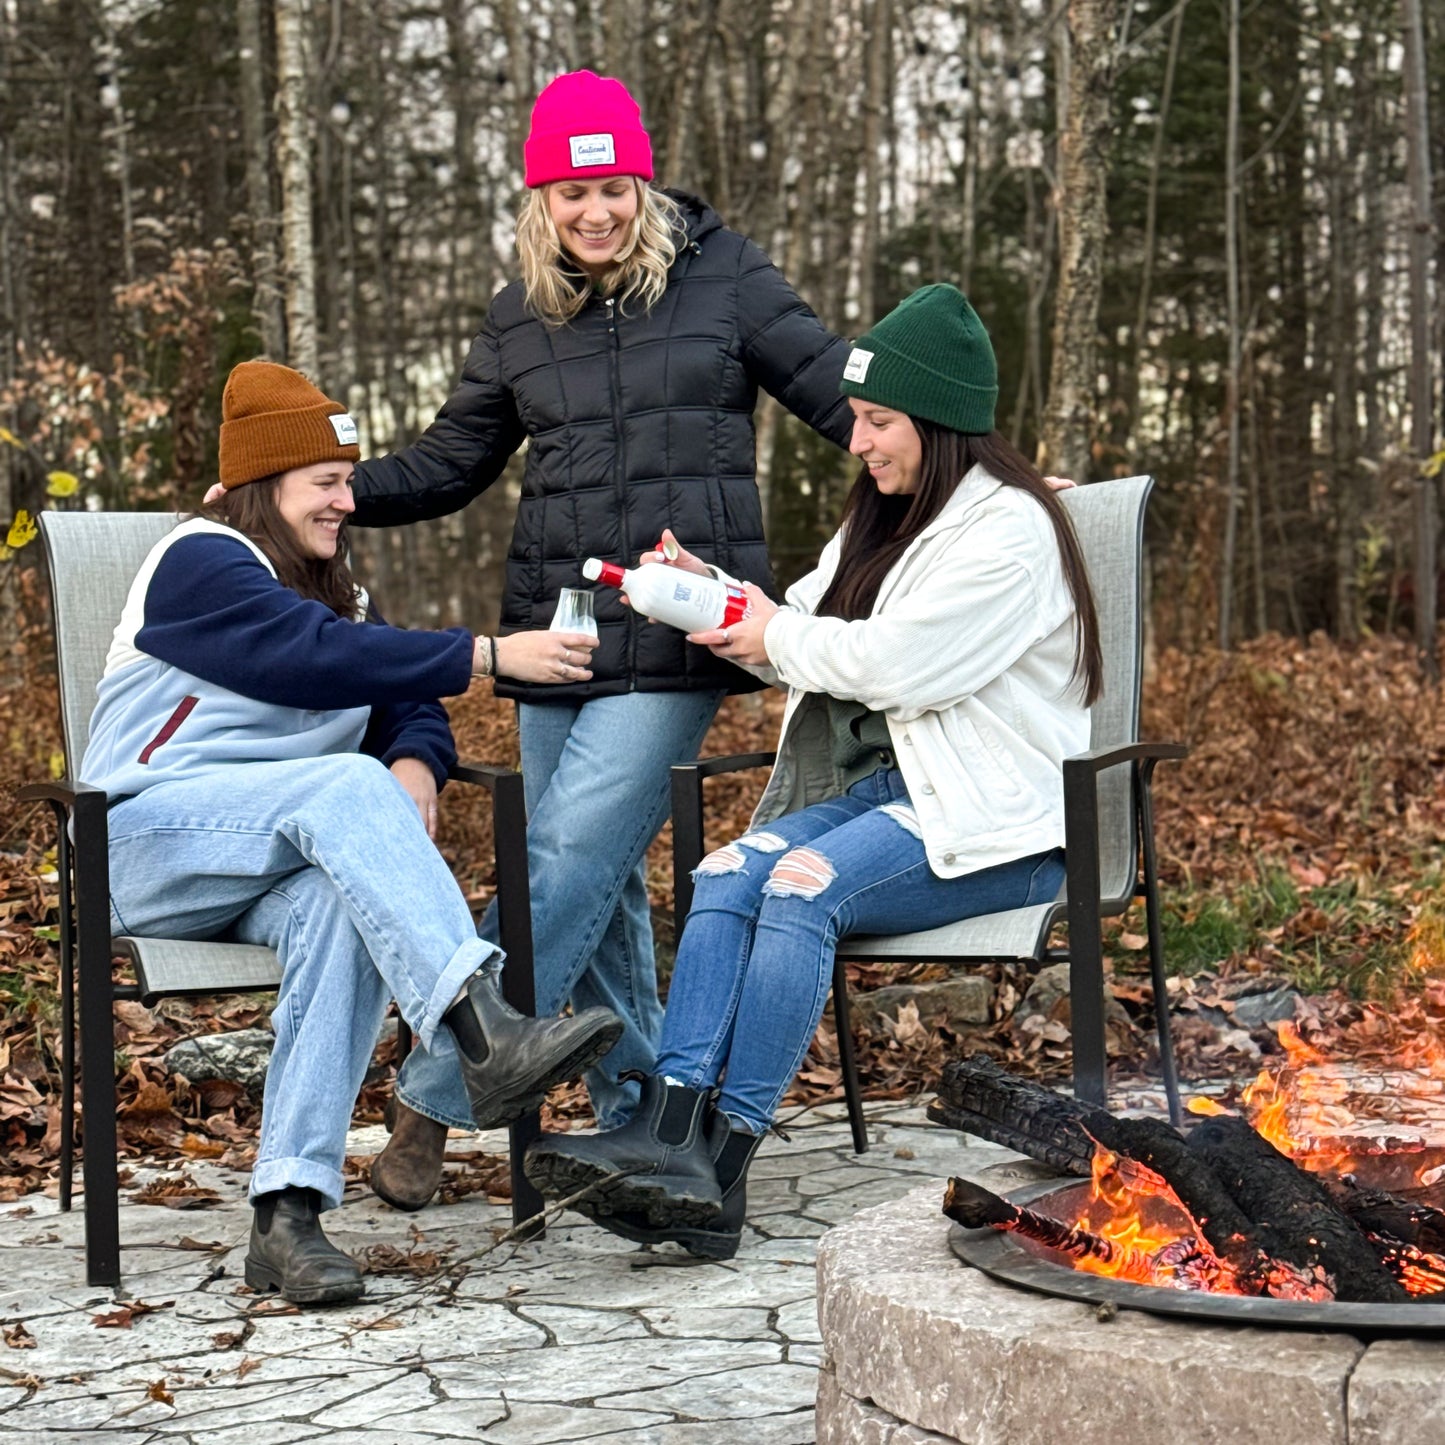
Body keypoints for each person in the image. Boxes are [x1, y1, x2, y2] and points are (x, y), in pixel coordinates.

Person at [345, 68, 856, 1209]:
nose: (594, 213)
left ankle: (432, 1096)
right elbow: (447, 462)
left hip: (678, 622)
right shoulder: (519, 311)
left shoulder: (725, 273)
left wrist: (971, 458)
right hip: (556, 635)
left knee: (563, 856)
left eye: (611, 187)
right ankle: (638, 1122)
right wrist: (330, 491)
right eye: (570, 193)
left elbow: (834, 388)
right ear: (540, 199)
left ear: (640, 180)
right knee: (603, 883)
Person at [520, 284, 1104, 1260]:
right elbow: (797, 631)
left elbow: (889, 663)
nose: (856, 441)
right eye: (857, 418)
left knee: (797, 888)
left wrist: (771, 626)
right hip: (893, 798)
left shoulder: (1008, 533)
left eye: (877, 420)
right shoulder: (887, 516)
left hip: (1001, 819)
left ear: (940, 421)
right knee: (724, 872)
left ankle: (722, 1165)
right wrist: (714, 598)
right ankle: (667, 1137)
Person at [82, 361, 623, 1305]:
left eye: (349, 477)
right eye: (326, 482)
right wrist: (489, 655)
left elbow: (398, 687)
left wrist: (415, 758)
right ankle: (479, 1025)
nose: (349, 497)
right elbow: (309, 657)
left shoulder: (340, 592)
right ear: (266, 484)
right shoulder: (202, 558)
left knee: (340, 904)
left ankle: (286, 1215)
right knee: (343, 779)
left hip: (263, 860)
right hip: (144, 842)